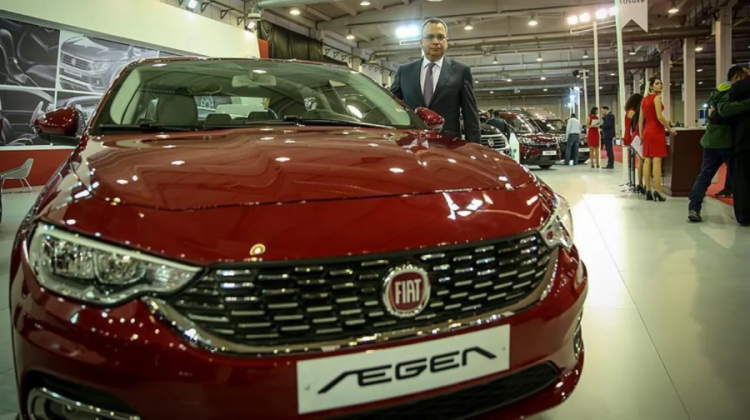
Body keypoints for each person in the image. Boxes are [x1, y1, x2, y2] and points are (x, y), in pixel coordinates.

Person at [390, 17, 481, 143]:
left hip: (449, 144)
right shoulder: (404, 72)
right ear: (421, 41)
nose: (436, 42)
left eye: (440, 37)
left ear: (447, 41)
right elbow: (389, 107)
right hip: (412, 143)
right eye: (430, 37)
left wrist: (475, 147)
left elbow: (470, 114)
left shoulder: (461, 71)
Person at [686, 65, 748, 223]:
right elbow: (725, 110)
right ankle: (743, 212)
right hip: (726, 140)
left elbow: (714, 112)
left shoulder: (718, 90)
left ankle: (694, 208)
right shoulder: (730, 90)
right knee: (738, 178)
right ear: (737, 76)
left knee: (705, 175)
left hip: (711, 140)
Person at [717, 66, 750, 226]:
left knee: (742, 179)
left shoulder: (734, 89)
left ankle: (744, 216)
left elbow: (723, 111)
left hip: (742, 139)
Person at [638, 77, 670, 202]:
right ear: (651, 86)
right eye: (657, 83)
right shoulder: (656, 98)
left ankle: (648, 190)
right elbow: (660, 117)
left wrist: (641, 134)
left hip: (647, 132)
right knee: (657, 161)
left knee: (647, 161)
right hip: (656, 131)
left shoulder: (644, 100)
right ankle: (658, 191)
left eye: (661, 83)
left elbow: (641, 120)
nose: (660, 85)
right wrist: (670, 128)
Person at [624, 93, 645, 193]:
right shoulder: (633, 112)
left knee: (641, 161)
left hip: (631, 135)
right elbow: (637, 124)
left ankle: (640, 183)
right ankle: (640, 183)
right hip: (634, 136)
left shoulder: (629, 111)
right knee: (642, 161)